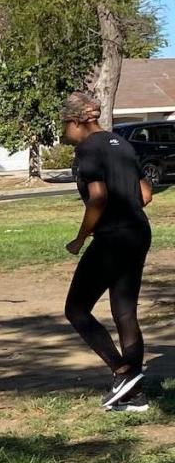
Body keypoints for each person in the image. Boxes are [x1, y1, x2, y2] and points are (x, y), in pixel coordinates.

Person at [61, 92, 153, 412]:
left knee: (76, 309)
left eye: (64, 126)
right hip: (138, 232)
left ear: (76, 122)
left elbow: (97, 198)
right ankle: (134, 396)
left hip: (112, 238)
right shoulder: (122, 144)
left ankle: (122, 372)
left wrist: (80, 237)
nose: (63, 134)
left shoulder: (86, 149)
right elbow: (145, 193)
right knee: (125, 312)